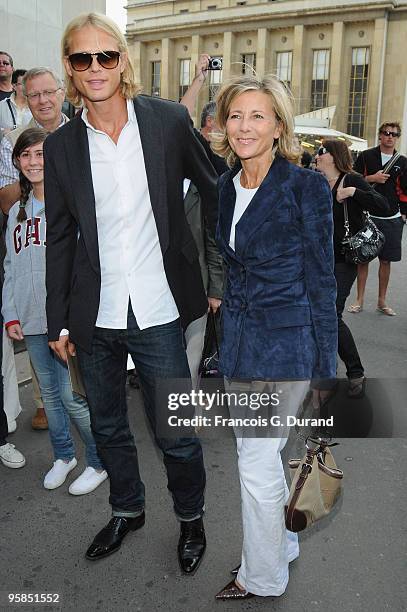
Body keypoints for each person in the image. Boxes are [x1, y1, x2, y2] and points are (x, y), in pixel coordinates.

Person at [44, 13, 217, 570]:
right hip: (94, 316)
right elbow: (62, 239)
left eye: (105, 56)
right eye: (81, 59)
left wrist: (223, 271)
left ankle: (191, 520)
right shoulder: (62, 146)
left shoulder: (167, 121)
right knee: (110, 425)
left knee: (175, 432)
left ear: (123, 61)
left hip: (160, 310)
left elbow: (217, 189)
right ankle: (127, 509)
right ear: (70, 69)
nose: (95, 68)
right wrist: (59, 321)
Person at [210, 74, 337, 600]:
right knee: (258, 455)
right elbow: (230, 267)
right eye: (236, 115)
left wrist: (325, 367)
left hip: (286, 347)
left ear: (279, 125)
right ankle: (281, 545)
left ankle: (260, 576)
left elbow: (321, 278)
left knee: (255, 463)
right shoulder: (224, 186)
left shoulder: (304, 187)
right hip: (239, 344)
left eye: (257, 115)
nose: (244, 126)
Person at [2, 127, 107, 495]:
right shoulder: (16, 211)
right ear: (17, 161)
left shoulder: (72, 204)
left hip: (62, 323)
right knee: (48, 396)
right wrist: (10, 314)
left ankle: (99, 459)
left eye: (41, 154)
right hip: (29, 320)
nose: (33, 162)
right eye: (26, 155)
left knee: (72, 397)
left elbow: (84, 266)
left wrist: (74, 317)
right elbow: (11, 269)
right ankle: (64, 455)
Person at [315, 139, 389, 398]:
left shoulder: (351, 180)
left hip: (343, 260)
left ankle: (355, 372)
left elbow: (383, 205)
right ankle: (322, 372)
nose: (316, 155)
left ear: (333, 156)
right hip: (316, 261)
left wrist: (353, 193)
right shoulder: (314, 181)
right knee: (316, 315)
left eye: (321, 152)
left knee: (331, 314)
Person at [349, 122, 407, 315]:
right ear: (380, 135)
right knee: (362, 259)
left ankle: (382, 301)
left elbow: (405, 191)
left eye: (395, 134)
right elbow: (352, 179)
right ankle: (359, 300)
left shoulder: (403, 161)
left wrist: (404, 213)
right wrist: (371, 178)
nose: (390, 137)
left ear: (397, 137)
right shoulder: (366, 156)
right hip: (367, 215)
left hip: (392, 217)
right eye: (387, 133)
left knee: (386, 260)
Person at [0, 67, 69, 215]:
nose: (42, 101)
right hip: (30, 231)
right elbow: (5, 204)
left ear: (62, 94)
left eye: (48, 92)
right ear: (26, 100)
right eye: (34, 95)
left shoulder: (84, 135)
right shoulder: (12, 141)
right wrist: (33, 172)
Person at [0, 69, 32, 140]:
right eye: (23, 83)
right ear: (14, 86)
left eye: (29, 83)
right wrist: (2, 132)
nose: (27, 87)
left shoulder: (35, 107)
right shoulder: (2, 106)